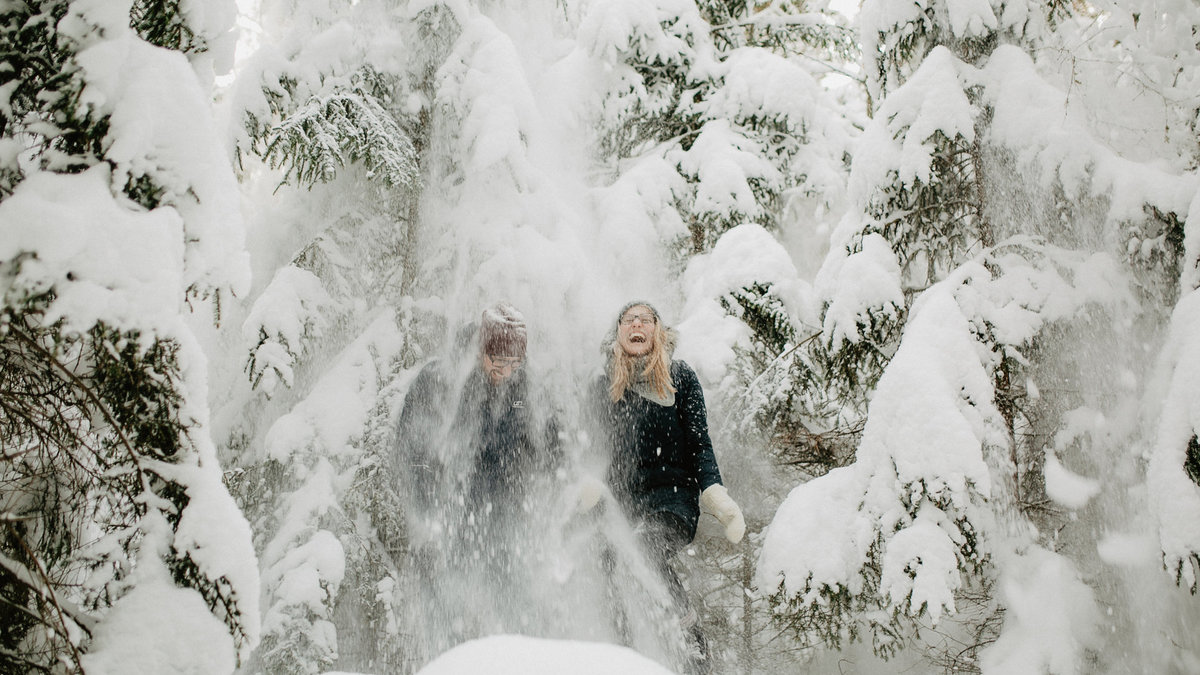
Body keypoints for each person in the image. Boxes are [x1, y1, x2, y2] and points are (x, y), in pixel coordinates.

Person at [588, 300, 745, 672]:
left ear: (658, 330)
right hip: (623, 502)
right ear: (619, 332)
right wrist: (588, 483)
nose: (637, 325)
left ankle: (692, 648)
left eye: (645, 319)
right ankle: (621, 655)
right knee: (604, 558)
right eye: (629, 319)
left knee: (644, 547)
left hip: (673, 499)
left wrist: (713, 490)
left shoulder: (680, 377)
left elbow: (700, 443)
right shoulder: (604, 386)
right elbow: (593, 447)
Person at [393, 302, 560, 646]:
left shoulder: (528, 387)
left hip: (506, 510)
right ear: (479, 350)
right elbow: (411, 448)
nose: (505, 371)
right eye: (497, 361)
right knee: (447, 596)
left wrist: (560, 479)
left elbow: (552, 441)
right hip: (450, 509)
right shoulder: (442, 380)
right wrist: (426, 511)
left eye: (514, 363)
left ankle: (520, 656)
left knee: (514, 594)